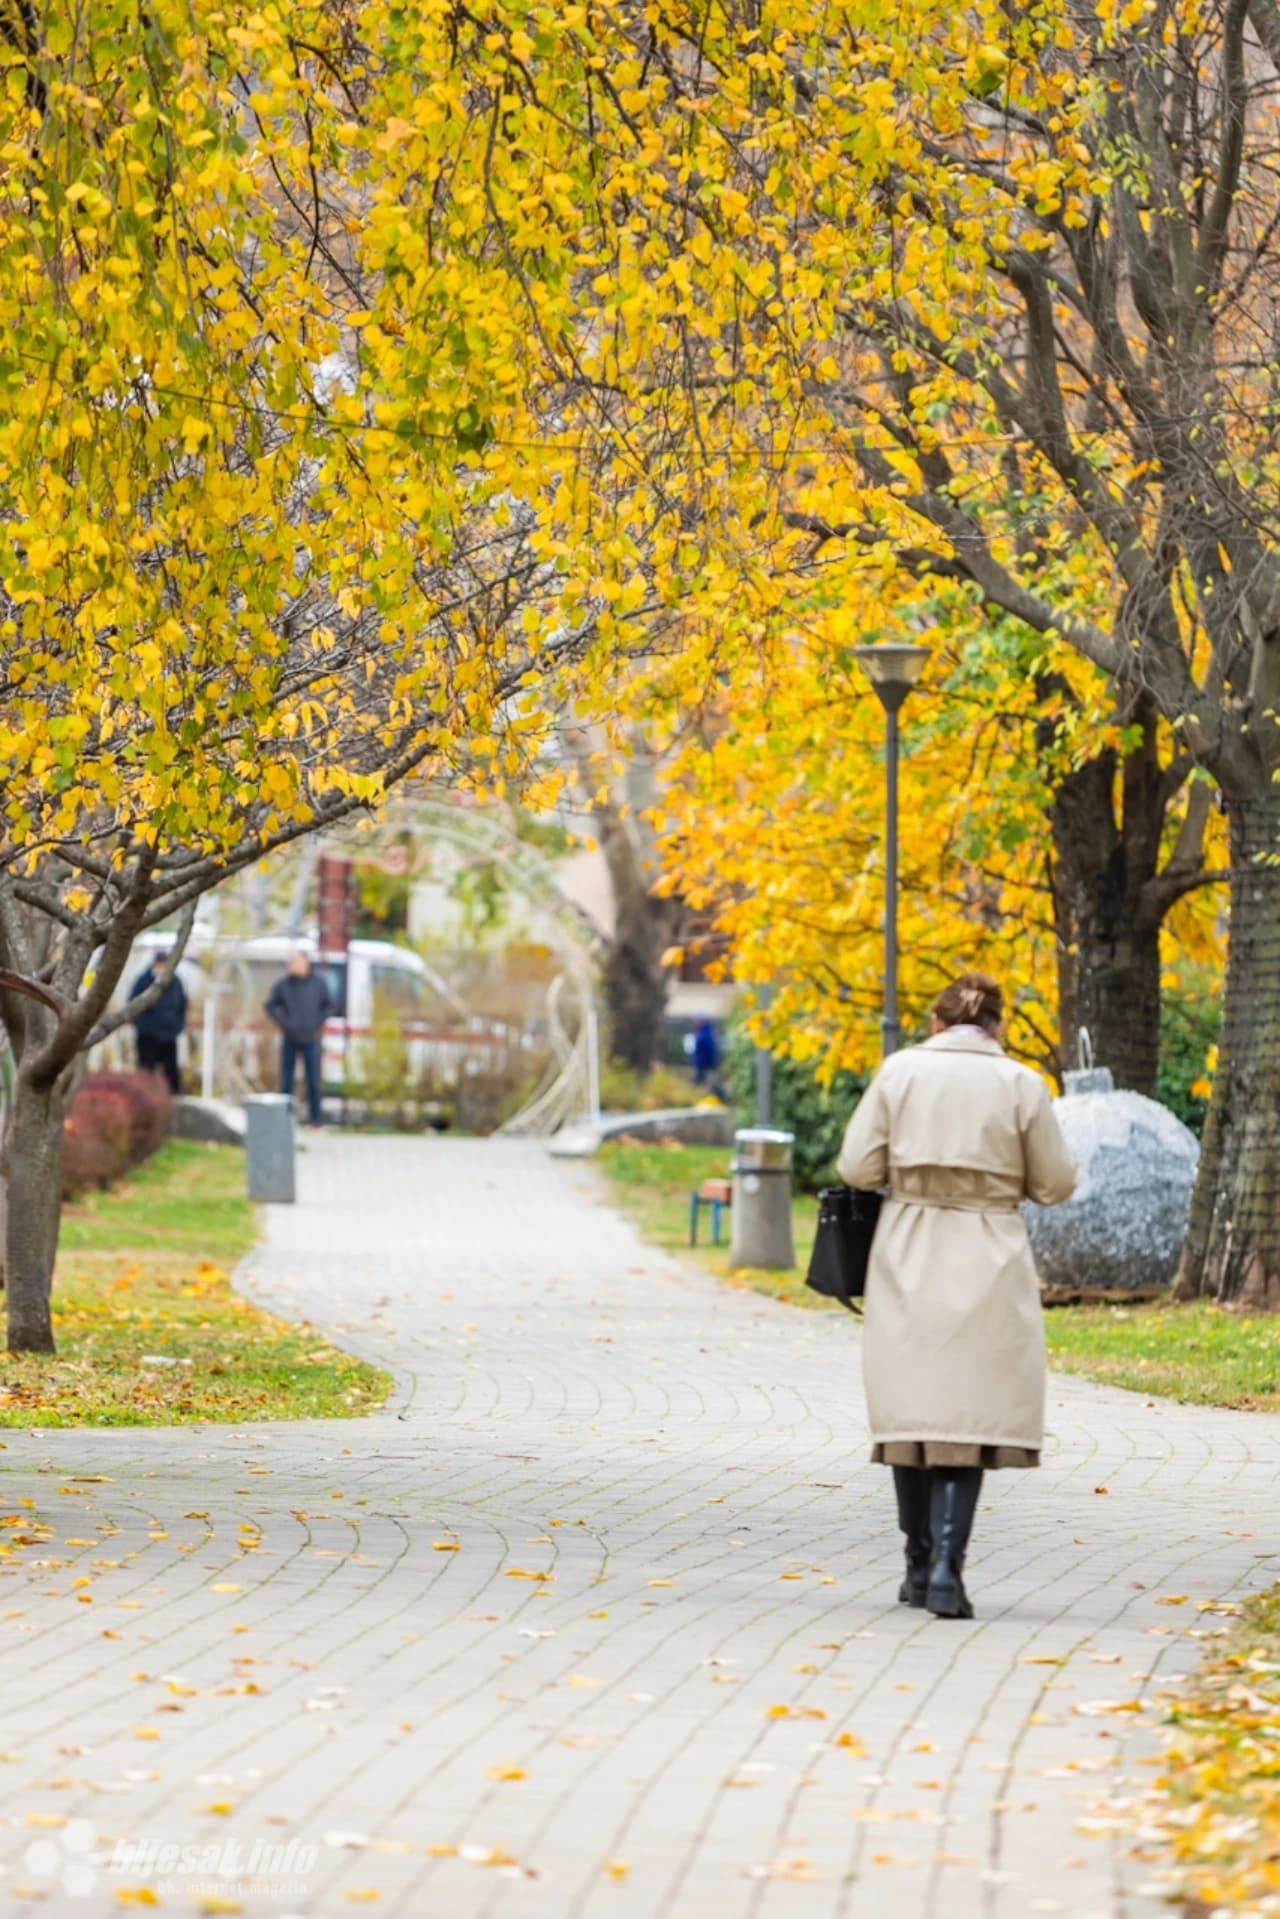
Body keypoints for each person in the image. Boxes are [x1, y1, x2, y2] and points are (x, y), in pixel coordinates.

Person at [836, 971, 1077, 1621]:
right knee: (967, 1419)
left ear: (936, 1024)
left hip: (908, 1247)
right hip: (987, 1251)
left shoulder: (899, 1072)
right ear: (997, 1026)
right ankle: (949, 1567)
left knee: (912, 1415)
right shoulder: (1022, 1084)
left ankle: (916, 1563)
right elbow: (1056, 1182)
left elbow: (856, 1166)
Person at [265, 950, 334, 1128]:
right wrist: (285, 1023)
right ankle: (284, 1119)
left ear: (305, 963)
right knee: (287, 1080)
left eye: (295, 961)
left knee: (313, 1081)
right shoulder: (284, 985)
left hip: (311, 1038)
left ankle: (315, 1120)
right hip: (290, 1037)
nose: (292, 965)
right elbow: (270, 1006)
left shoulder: (318, 983)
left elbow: (329, 1005)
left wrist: (316, 1023)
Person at [129, 946, 188, 1095]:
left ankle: (174, 1098)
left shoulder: (175, 982)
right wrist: (143, 1026)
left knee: (171, 1070)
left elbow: (182, 1006)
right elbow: (133, 1005)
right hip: (147, 1035)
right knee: (146, 1069)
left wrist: (177, 1026)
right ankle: (143, 1096)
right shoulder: (143, 981)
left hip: (169, 1034)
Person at [692, 1018, 721, 1089]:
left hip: (705, 1064)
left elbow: (706, 1050)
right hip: (705, 1063)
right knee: (709, 1082)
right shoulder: (705, 1032)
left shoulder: (704, 1034)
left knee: (710, 1083)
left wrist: (701, 1062)